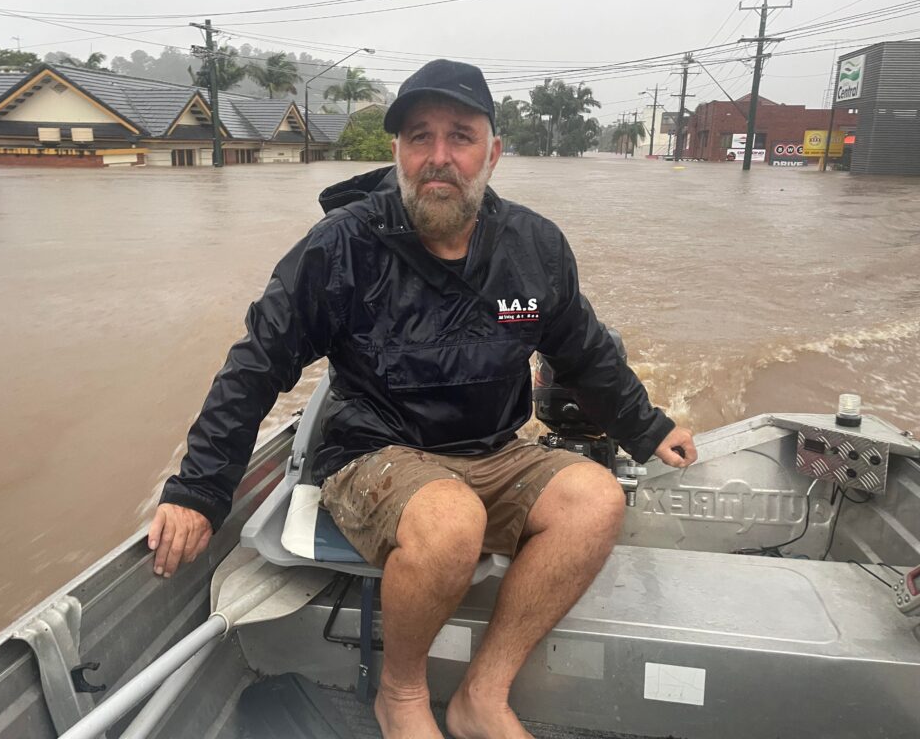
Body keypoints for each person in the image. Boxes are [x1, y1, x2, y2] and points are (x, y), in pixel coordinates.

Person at [147, 59, 697, 739]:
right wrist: (198, 491)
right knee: (449, 521)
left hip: (492, 450)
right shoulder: (342, 246)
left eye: (460, 136)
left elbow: (582, 352)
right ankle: (401, 696)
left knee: (596, 499)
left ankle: (481, 697)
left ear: (492, 152)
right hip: (374, 451)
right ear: (398, 152)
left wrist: (648, 428)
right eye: (419, 137)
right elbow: (258, 363)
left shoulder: (534, 247)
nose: (439, 157)